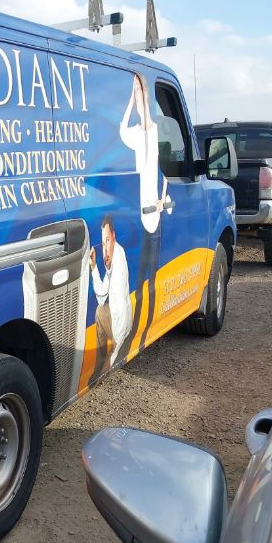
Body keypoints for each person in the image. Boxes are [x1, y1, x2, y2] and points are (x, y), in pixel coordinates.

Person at [120, 73, 168, 352]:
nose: (138, 96)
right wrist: (130, 100)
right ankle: (135, 334)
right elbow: (121, 129)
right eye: (134, 91)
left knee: (151, 279)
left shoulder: (152, 130)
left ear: (147, 95)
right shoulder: (135, 134)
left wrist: (143, 101)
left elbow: (162, 175)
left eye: (140, 91)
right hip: (140, 213)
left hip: (154, 214)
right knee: (139, 282)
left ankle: (147, 330)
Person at [89, 215, 132, 376]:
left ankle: (101, 364)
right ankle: (99, 361)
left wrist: (114, 356)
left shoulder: (118, 265)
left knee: (101, 314)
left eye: (107, 241)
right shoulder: (114, 256)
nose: (105, 249)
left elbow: (120, 312)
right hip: (117, 319)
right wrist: (94, 267)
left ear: (113, 236)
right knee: (100, 311)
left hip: (122, 327)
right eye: (103, 243)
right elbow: (101, 296)